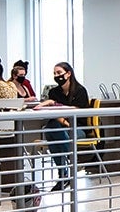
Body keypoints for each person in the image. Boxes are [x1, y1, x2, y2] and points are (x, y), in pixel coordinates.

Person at [34, 62, 90, 191]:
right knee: (51, 128)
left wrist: (54, 105)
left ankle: (63, 173)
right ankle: (72, 164)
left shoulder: (80, 91)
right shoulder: (54, 92)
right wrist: (53, 107)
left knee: (52, 130)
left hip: (78, 128)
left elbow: (78, 111)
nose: (56, 76)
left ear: (68, 74)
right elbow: (56, 114)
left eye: (59, 73)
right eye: (54, 73)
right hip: (63, 127)